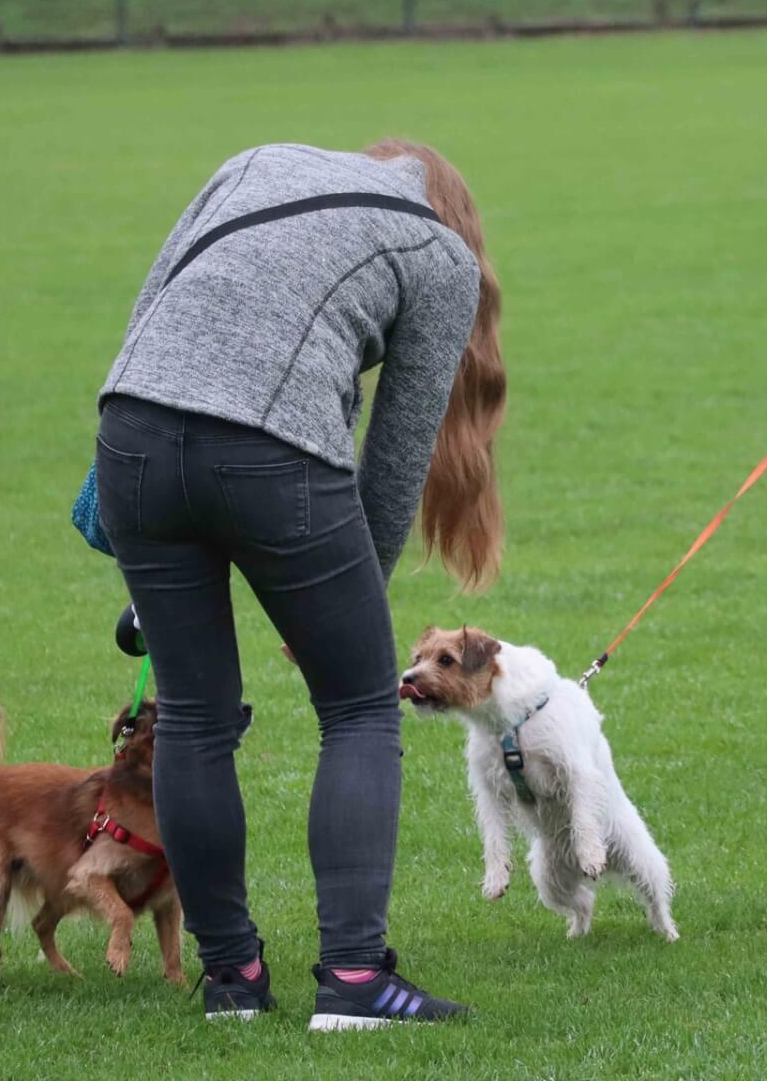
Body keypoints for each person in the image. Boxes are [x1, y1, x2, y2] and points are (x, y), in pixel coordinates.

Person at [93, 139, 505, 1026]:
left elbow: (150, 317)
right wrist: (360, 583)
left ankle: (232, 985)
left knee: (197, 716)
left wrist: (130, 540)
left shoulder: (255, 163)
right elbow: (395, 462)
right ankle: (355, 982)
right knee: (359, 704)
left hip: (128, 430)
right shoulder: (439, 252)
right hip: (269, 451)